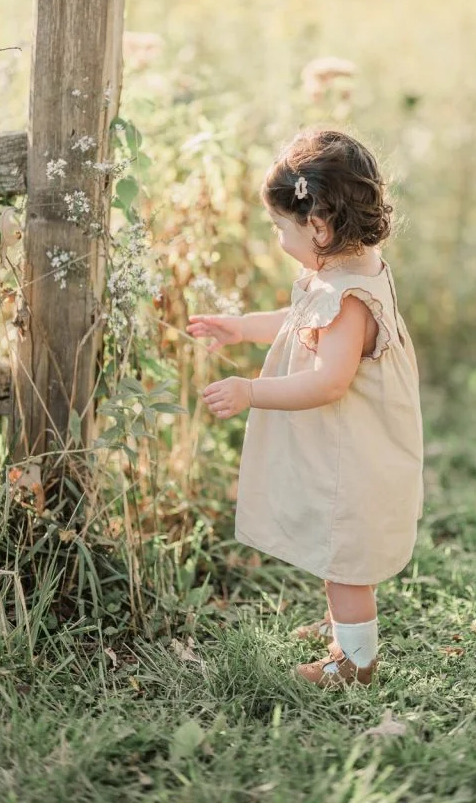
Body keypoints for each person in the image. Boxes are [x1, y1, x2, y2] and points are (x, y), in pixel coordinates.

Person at [187, 129, 423, 688]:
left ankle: (355, 663)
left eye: (279, 227)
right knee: (333, 545)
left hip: (352, 452)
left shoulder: (346, 300)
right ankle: (344, 631)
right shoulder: (349, 268)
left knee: (343, 558)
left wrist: (250, 391)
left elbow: (328, 382)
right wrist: (243, 327)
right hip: (347, 444)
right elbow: (301, 322)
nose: (277, 238)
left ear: (317, 225)